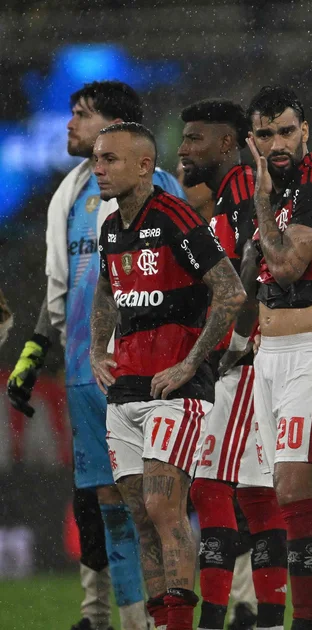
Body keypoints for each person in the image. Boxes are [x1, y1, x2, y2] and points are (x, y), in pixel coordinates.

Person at [6, 80, 184, 630]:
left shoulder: (162, 188)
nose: (70, 124)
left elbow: (191, 274)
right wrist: (35, 351)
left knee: (157, 504)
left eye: (82, 114)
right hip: (87, 370)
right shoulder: (69, 193)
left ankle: (173, 614)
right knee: (109, 504)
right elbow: (59, 287)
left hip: (148, 369)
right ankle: (130, 619)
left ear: (114, 127)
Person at [90, 122, 245, 630]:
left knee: (163, 507)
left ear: (143, 166)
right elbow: (106, 289)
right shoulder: (111, 228)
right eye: (97, 159)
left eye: (110, 159)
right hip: (126, 389)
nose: (98, 169)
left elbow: (230, 291)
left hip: (175, 390)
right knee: (140, 517)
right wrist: (96, 349)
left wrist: (191, 362)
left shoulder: (175, 217)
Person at [244, 85, 312, 630]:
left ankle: (308, 620)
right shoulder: (263, 190)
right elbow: (251, 274)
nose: (277, 144)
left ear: (305, 131)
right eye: (265, 134)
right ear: (252, 139)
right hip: (268, 354)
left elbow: (287, 266)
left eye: (286, 131)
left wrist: (262, 201)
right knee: (298, 492)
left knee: (291, 487)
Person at [177, 99, 288, 630]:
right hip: (248, 354)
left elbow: (254, 263)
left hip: (242, 356)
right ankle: (268, 620)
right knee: (257, 495)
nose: (184, 149)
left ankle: (215, 619)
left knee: (210, 487)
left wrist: (234, 343)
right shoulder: (230, 195)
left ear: (226, 143)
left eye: (194, 139)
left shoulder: (243, 188)